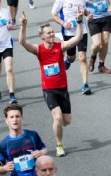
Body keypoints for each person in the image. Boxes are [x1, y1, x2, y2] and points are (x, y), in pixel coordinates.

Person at [19, 8, 83, 157]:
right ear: (42, 36)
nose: (52, 34)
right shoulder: (38, 49)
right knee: (58, 117)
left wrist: (79, 21)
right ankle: (59, 145)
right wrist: (23, 26)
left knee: (67, 120)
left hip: (63, 88)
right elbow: (22, 42)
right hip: (49, 90)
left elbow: (78, 38)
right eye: (48, 33)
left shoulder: (60, 47)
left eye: (53, 32)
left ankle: (59, 125)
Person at [51, 0, 91, 95]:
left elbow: (83, 10)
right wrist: (63, 23)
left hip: (82, 29)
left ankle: (85, 84)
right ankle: (68, 60)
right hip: (69, 32)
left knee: (83, 57)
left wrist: (88, 14)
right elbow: (53, 15)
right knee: (72, 57)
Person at [0, 104, 47, 176]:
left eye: (17, 116)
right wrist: (5, 168)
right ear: (6, 120)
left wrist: (41, 152)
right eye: (11, 117)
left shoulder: (32, 135)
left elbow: (44, 149)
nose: (15, 119)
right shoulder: (3, 144)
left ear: (22, 118)